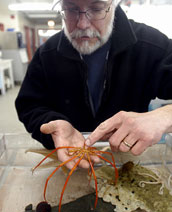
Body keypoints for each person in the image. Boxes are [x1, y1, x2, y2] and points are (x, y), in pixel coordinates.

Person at [15, 0, 172, 170]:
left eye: (96, 9)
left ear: (114, 5)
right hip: (69, 162)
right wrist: (52, 122)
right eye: (71, 9)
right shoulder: (47, 54)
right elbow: (29, 105)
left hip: (128, 162)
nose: (82, 24)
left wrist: (165, 116)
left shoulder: (151, 45)